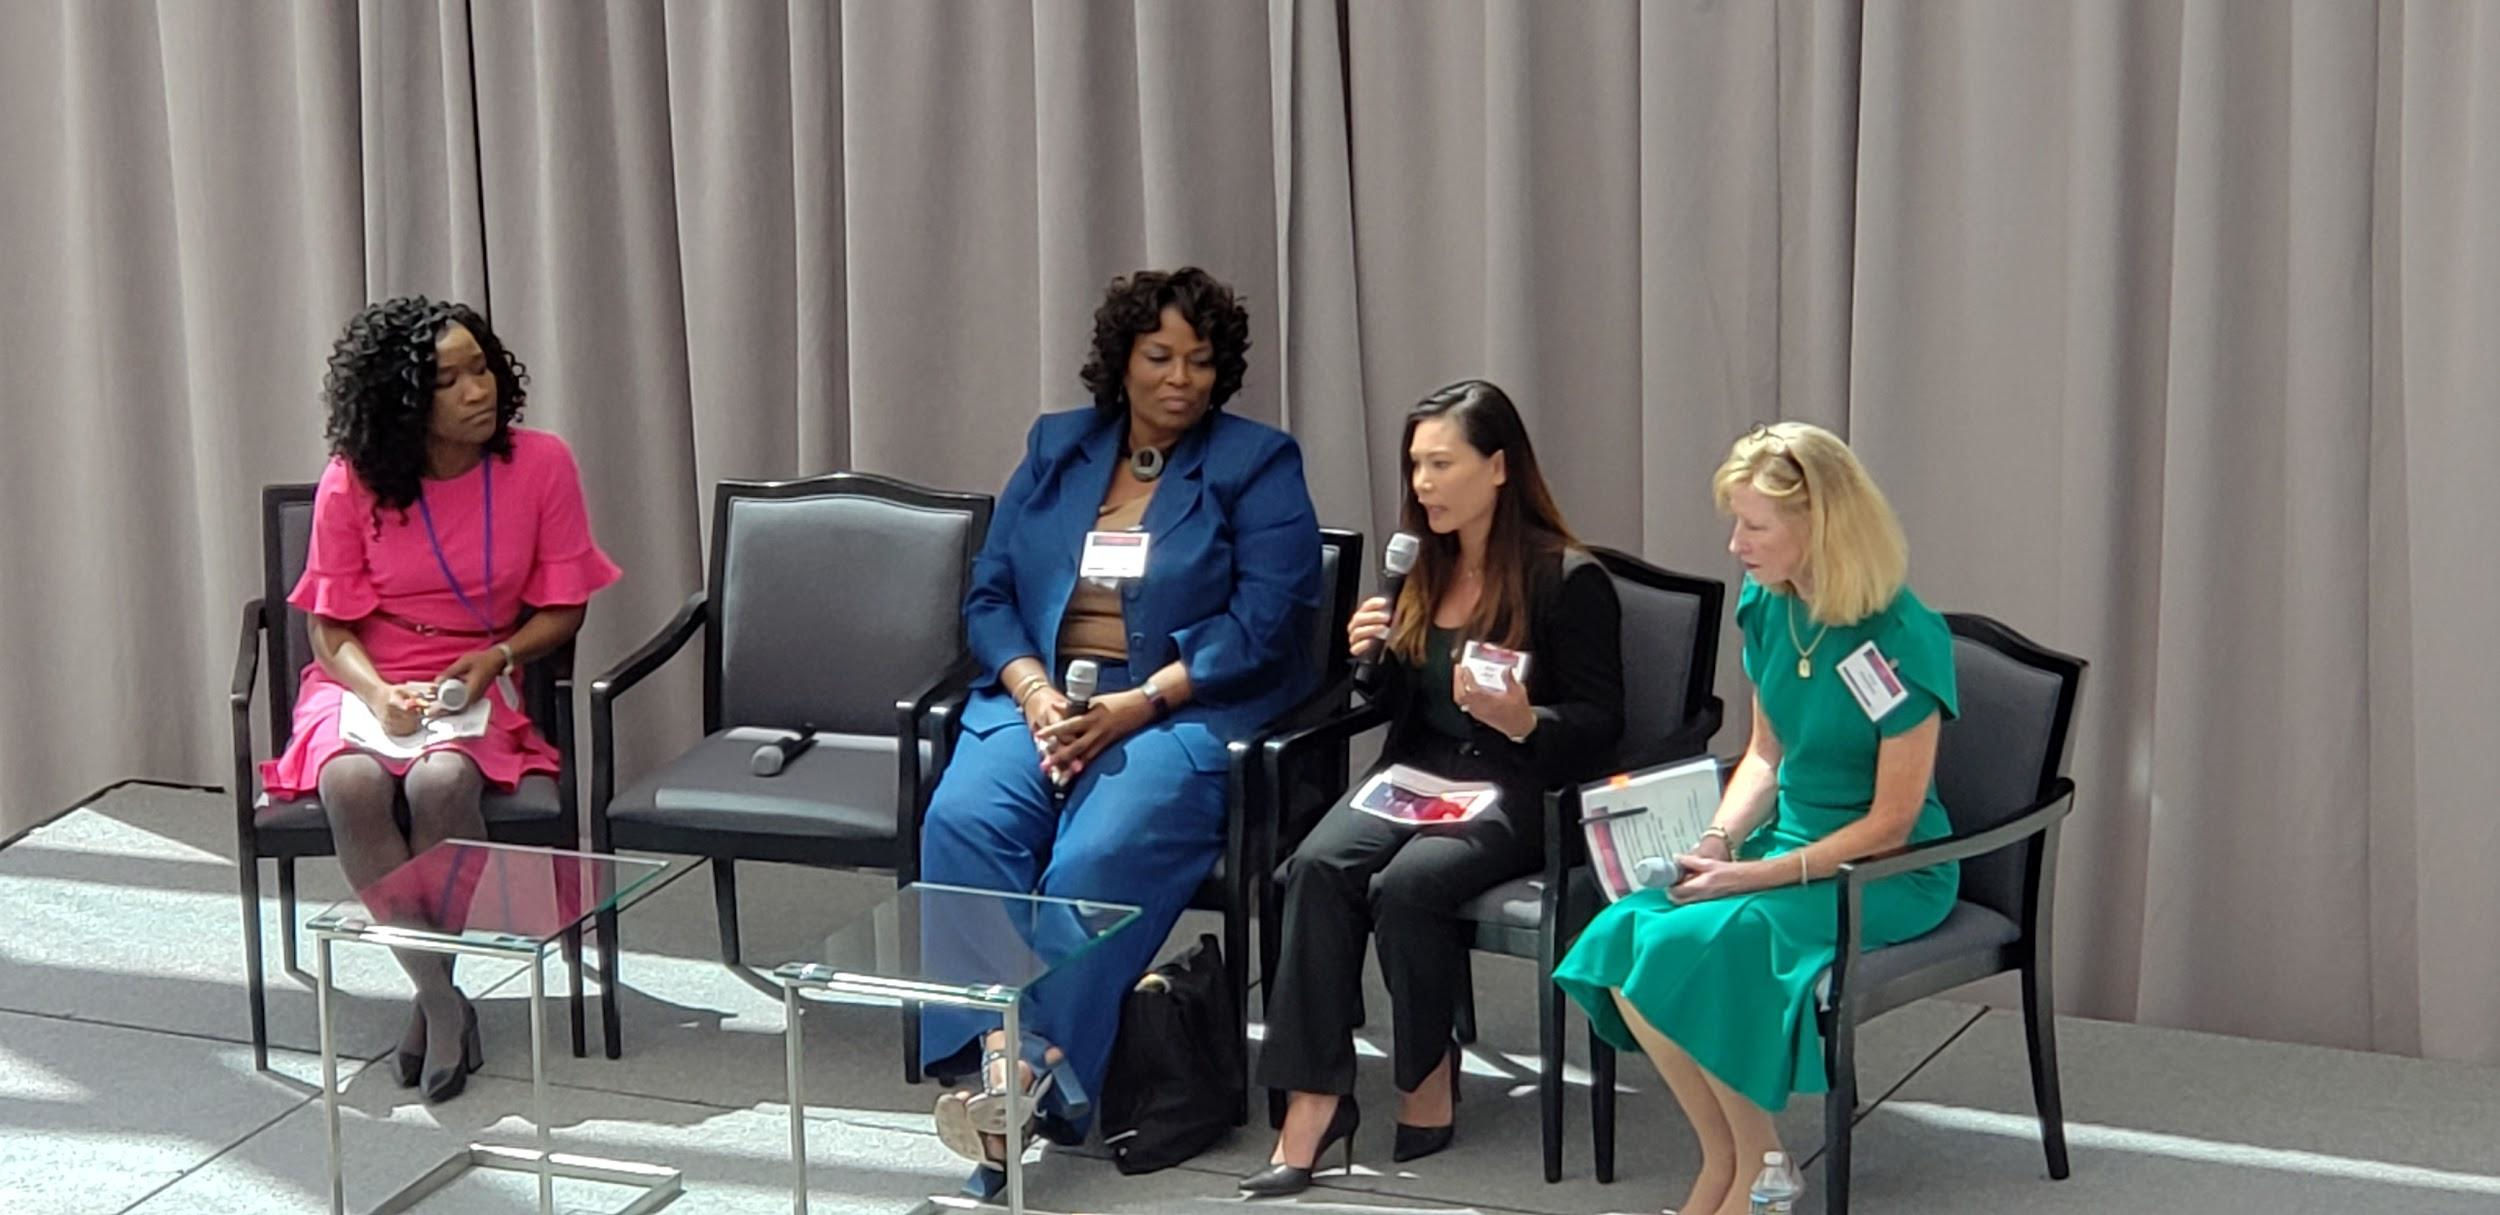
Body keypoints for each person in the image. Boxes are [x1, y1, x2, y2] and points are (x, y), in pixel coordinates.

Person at [917, 267, 1322, 1191]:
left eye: (1201, 360)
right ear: (1121, 361)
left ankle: (1024, 1079)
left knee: (1093, 862)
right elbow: (989, 597)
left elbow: (1270, 620)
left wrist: (1141, 702)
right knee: (964, 822)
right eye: (1159, 356)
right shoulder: (1060, 447)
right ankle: (991, 1055)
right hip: (1044, 703)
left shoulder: (1256, 463)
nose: (1181, 378)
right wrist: (1033, 693)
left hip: (1175, 710)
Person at [1552, 421, 1959, 1215]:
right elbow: (1767, 754)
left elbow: (1893, 820)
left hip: (1883, 868)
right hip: (1782, 842)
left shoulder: (1903, 636)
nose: (1737, 544)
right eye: (1735, 521)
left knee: (1718, 939)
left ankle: (1755, 1181)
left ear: (1821, 526)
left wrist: (1756, 873)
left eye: (1756, 525)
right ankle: (1744, 1160)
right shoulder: (1769, 606)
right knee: (1626, 936)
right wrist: (1715, 841)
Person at [1244, 380, 1624, 1197]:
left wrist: (1527, 719)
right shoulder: (1418, 563)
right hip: (1418, 776)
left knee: (1408, 885)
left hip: (1522, 787)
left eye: (1441, 464)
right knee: (1313, 867)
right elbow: (1396, 709)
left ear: (1497, 467)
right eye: (1415, 464)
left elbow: (1601, 722)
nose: (1422, 484)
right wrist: (1366, 659)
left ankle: (1426, 1071)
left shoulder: (1567, 578)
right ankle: (1314, 1102)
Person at [260, 296, 620, 1104]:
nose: (476, 390)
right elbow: (329, 630)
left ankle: (434, 996)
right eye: (449, 380)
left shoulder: (542, 462)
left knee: (441, 784)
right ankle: (440, 998)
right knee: (351, 782)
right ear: (405, 402)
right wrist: (380, 693)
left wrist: (495, 657)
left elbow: (565, 604)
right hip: (366, 676)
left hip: (477, 668)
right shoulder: (353, 478)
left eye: (481, 367)